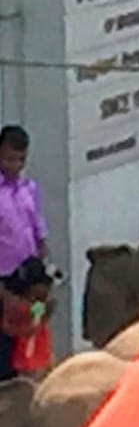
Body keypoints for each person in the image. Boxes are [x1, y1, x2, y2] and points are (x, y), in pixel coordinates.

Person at [0, 128, 48, 286]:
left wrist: (42, 247)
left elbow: (36, 221)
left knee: (37, 309)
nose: (16, 165)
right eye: (10, 159)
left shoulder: (28, 187)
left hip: (30, 268)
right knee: (11, 310)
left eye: (21, 159)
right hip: (5, 274)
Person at [0, 257, 54, 382]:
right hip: (19, 359)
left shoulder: (35, 305)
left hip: (28, 357)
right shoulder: (21, 305)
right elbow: (14, 327)